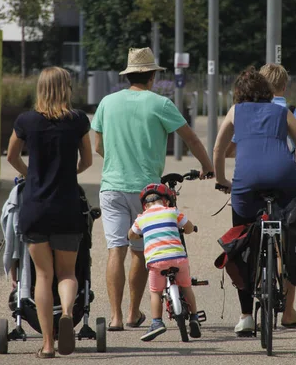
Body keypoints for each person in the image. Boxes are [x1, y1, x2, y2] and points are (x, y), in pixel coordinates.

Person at [91, 47, 213, 332]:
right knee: (138, 252)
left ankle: (116, 318)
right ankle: (134, 313)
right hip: (145, 192)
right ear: (152, 77)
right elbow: (192, 139)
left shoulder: (107, 102)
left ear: (129, 75)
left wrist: (117, 161)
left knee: (115, 249)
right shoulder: (160, 104)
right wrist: (208, 167)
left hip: (111, 187)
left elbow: (98, 146)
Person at [213, 66, 296, 336]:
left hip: (247, 183)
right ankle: (289, 302)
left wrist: (222, 180)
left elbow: (219, 149)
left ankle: (246, 316)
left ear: (240, 93)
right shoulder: (284, 112)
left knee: (241, 240)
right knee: (294, 228)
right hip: (285, 178)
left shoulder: (236, 111)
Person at [7, 67, 92, 358]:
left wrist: (30, 174)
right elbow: (88, 161)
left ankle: (46, 344)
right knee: (67, 272)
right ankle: (67, 313)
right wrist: (70, 172)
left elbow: (11, 156)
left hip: (35, 207)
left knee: (43, 275)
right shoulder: (78, 120)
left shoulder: (25, 121)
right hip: (67, 205)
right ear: (66, 88)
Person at [128, 183, 201, 341]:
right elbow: (187, 228)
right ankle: (194, 317)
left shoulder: (142, 218)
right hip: (178, 258)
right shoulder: (172, 211)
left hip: (156, 262)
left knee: (156, 292)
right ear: (166, 201)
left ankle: (157, 322)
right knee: (187, 286)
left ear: (145, 205)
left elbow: (131, 235)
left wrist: (138, 234)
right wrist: (192, 228)